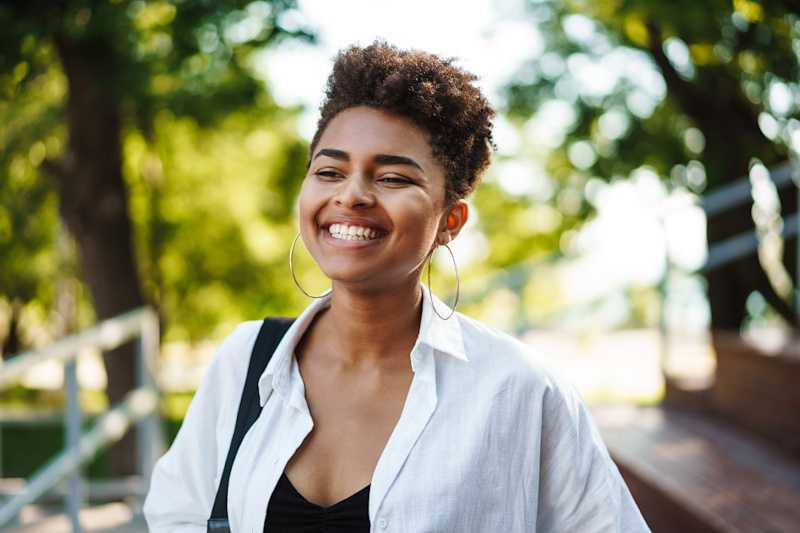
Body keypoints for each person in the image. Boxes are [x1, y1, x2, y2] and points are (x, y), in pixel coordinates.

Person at [143, 40, 651, 532]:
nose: (353, 194)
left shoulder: (518, 389)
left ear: (450, 220)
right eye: (329, 170)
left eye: (393, 178)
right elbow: (177, 515)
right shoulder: (246, 362)